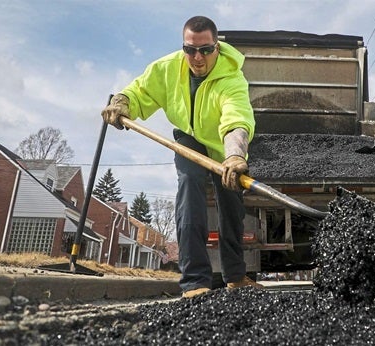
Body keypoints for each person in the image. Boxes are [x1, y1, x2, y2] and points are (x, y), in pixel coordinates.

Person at [101, 16, 261, 298]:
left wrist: (235, 156)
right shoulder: (167, 68)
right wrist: (123, 102)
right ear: (184, 47)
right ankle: (195, 281)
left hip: (223, 146)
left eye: (205, 50)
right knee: (189, 184)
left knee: (232, 202)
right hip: (188, 139)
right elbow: (140, 91)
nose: (197, 57)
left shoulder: (232, 77)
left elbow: (237, 119)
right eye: (190, 50)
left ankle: (235, 276)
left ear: (217, 47)